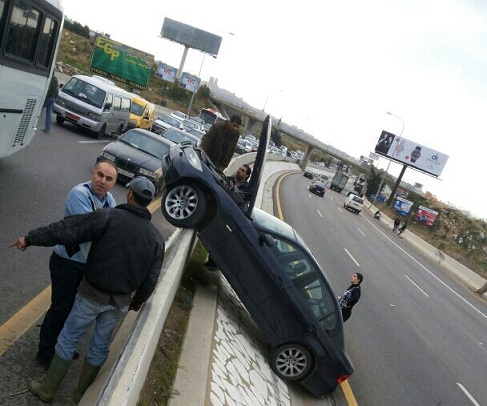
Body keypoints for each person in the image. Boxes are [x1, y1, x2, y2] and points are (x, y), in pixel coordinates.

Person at [10, 177, 165, 404]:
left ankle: (47, 389)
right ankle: (80, 396)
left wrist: (30, 238)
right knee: (100, 346)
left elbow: (67, 230)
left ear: (129, 193)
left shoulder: (109, 216)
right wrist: (138, 301)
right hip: (120, 302)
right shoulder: (156, 239)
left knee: (69, 338)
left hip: (91, 294)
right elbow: (151, 278)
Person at [35, 160, 118, 370]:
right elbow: (90, 227)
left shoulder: (110, 202)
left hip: (85, 265)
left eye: (108, 179)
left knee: (73, 308)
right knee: (60, 307)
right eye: (100, 175)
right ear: (93, 173)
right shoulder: (79, 193)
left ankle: (61, 348)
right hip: (66, 261)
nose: (102, 181)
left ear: (114, 183)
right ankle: (45, 352)